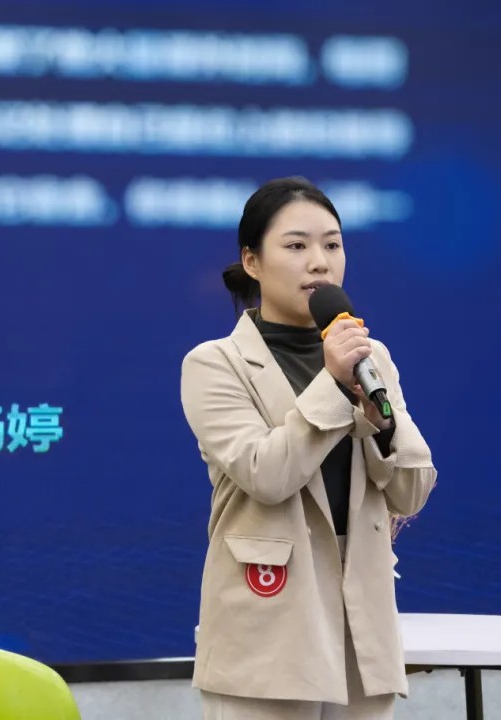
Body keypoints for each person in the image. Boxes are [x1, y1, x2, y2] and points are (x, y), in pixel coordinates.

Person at [180, 176, 437, 720]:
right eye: (296, 245)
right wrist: (333, 384)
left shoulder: (370, 357)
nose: (319, 262)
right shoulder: (214, 363)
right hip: (265, 630)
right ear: (252, 261)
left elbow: (411, 491)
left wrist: (380, 422)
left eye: (332, 244)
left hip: (361, 629)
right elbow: (267, 474)